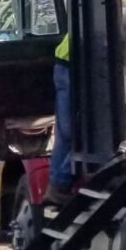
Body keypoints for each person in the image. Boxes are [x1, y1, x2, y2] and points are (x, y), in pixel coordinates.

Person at [46, 31, 73, 205]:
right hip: (72, 62)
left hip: (68, 61)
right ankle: (59, 184)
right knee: (72, 130)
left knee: (66, 131)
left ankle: (59, 184)